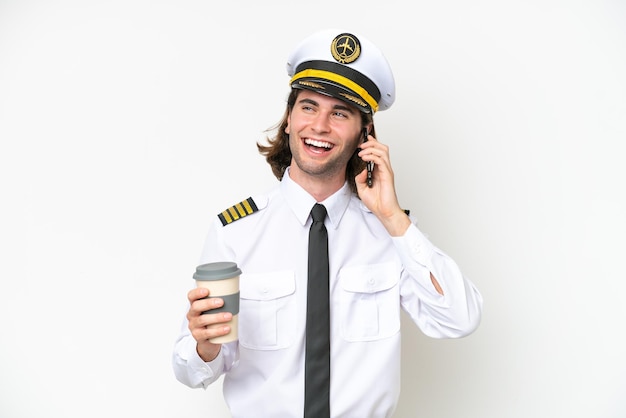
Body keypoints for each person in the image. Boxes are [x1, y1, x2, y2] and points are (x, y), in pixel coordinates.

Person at [172, 29, 483, 418]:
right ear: (288, 120)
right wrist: (205, 346)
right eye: (308, 106)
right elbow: (191, 370)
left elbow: (459, 319)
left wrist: (392, 216)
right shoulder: (235, 232)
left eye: (340, 113)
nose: (319, 125)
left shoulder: (392, 233)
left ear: (364, 134)